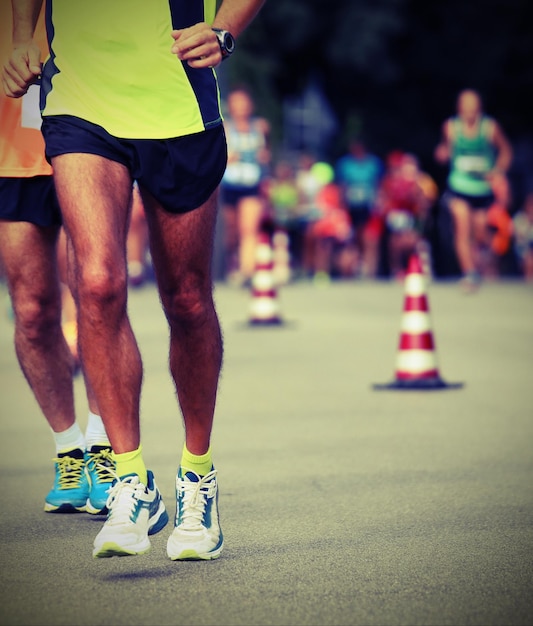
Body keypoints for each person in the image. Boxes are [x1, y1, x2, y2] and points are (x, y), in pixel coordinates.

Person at [3, 0, 265, 561]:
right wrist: (24, 34)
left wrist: (225, 31)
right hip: (79, 98)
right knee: (95, 282)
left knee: (188, 298)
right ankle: (130, 480)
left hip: (177, 98)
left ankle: (198, 478)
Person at [0, 1, 113, 516]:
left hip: (87, 135)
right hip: (9, 151)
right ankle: (69, 451)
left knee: (97, 289)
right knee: (31, 308)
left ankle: (107, 447)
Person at [434, 89, 513, 292]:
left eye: (473, 106)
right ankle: (469, 273)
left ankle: (485, 266)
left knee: (480, 231)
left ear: (479, 107)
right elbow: (445, 149)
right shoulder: (451, 127)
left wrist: (498, 171)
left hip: (482, 188)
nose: (469, 110)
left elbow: (505, 150)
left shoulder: (489, 128)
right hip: (459, 186)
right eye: (465, 106)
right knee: (462, 228)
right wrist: (442, 153)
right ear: (459, 108)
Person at [220, 86, 271, 286]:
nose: (240, 107)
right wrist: (227, 158)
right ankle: (233, 262)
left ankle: (246, 272)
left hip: (252, 184)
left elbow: (267, 154)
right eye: (236, 103)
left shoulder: (261, 127)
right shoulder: (224, 127)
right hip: (229, 184)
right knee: (231, 232)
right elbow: (216, 157)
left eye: (244, 102)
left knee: (248, 229)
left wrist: (264, 159)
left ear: (251, 105)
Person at [335, 139, 384, 278]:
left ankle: (370, 271)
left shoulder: (374, 163)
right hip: (351, 207)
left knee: (370, 239)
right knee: (352, 239)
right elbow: (341, 186)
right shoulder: (344, 164)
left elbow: (379, 184)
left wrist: (379, 201)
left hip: (369, 207)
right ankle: (351, 270)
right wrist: (341, 207)